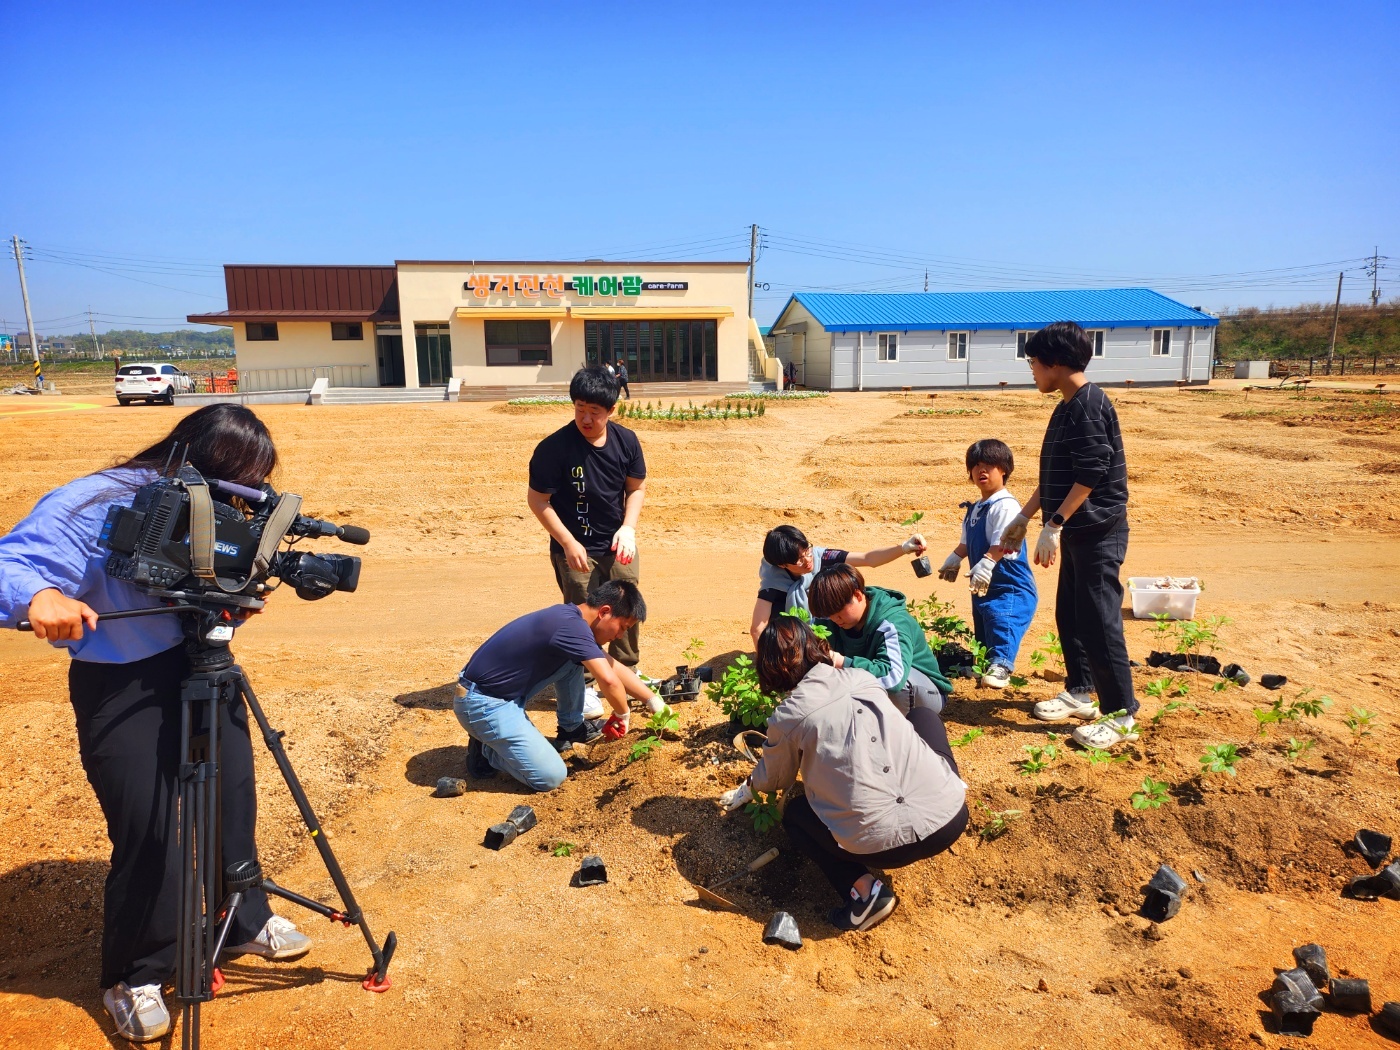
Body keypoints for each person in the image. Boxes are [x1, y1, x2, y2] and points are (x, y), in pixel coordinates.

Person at [0, 405, 312, 1043]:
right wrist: (40, 597)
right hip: (121, 676)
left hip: (203, 660)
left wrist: (239, 598)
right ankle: (136, 974)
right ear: (190, 457)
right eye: (234, 480)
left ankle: (242, 920)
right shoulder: (95, 499)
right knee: (152, 825)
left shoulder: (232, 502)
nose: (240, 498)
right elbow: (11, 564)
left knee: (233, 800)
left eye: (252, 486)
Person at [719, 617, 967, 932]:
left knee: (796, 814)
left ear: (769, 669)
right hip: (951, 819)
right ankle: (948, 784)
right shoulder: (861, 677)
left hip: (882, 849)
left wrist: (747, 789)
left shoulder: (788, 715)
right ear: (813, 646)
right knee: (923, 716)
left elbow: (775, 779)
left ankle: (864, 894)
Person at [998, 321, 1138, 749]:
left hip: (1098, 529)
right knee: (1071, 616)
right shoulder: (1066, 405)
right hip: (1076, 529)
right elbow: (1056, 476)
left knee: (1099, 620)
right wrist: (1025, 517)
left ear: (1055, 363)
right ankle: (1080, 693)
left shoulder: (1089, 405)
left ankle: (1121, 715)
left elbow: (1092, 473)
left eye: (1034, 363)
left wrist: (1053, 525)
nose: (1032, 371)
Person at [453, 580, 662, 791]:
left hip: (504, 693)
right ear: (605, 612)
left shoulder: (572, 620)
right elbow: (609, 680)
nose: (620, 636)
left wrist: (653, 701)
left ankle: (571, 731)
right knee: (551, 777)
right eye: (622, 628)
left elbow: (613, 666)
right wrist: (622, 714)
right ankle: (487, 752)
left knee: (572, 661)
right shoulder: (571, 628)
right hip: (484, 703)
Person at [528, 366, 647, 668]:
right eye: (580, 409)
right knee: (584, 615)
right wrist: (567, 542)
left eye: (594, 411)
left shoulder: (627, 442)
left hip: (617, 545)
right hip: (575, 549)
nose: (585, 419)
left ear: (611, 410)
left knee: (626, 607)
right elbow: (538, 500)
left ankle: (629, 670)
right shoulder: (553, 448)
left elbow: (636, 488)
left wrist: (628, 529)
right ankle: (585, 682)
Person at [936, 439, 1039, 690]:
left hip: (1008, 583)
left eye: (989, 465)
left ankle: (1001, 666)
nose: (982, 471)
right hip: (983, 581)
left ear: (1003, 470)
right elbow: (965, 542)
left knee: (1002, 619)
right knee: (983, 621)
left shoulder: (1005, 505)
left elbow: (1003, 542)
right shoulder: (976, 509)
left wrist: (987, 562)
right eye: (976, 466)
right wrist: (954, 558)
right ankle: (983, 664)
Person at [807, 563, 952, 715]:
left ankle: (903, 733)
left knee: (897, 688)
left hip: (925, 691)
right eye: (828, 614)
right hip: (871, 691)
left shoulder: (893, 621)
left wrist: (842, 662)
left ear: (857, 596)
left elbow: (893, 679)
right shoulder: (828, 620)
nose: (835, 619)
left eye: (838, 611)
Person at [750, 524, 926, 645]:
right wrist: (768, 666)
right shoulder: (773, 584)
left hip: (826, 629)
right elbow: (757, 629)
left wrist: (904, 547)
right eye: (799, 559)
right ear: (782, 565)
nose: (808, 561)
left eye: (807, 551)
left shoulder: (821, 557)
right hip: (791, 636)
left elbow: (868, 559)